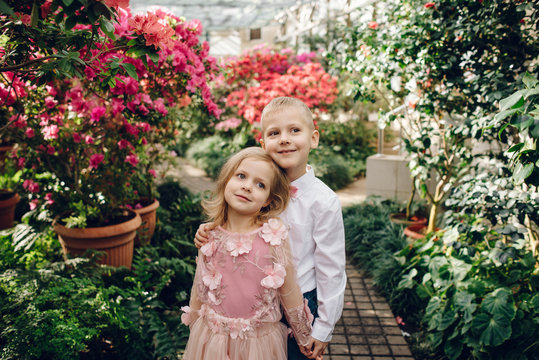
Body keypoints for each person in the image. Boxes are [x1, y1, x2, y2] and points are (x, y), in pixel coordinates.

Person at [195, 97, 347, 360]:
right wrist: (212, 229)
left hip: (301, 304)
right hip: (254, 305)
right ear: (264, 144)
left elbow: (332, 270)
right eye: (275, 133)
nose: (284, 139)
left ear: (314, 138)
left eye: (294, 130)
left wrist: (324, 328)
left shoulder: (324, 201)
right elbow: (237, 222)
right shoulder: (256, 188)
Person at [181, 147, 318, 360]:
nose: (247, 186)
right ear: (227, 180)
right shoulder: (210, 235)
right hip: (213, 340)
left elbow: (289, 291)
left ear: (267, 200)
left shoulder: (273, 237)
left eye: (260, 184)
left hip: (259, 345)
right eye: (241, 176)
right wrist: (195, 328)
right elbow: (200, 286)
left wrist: (304, 337)